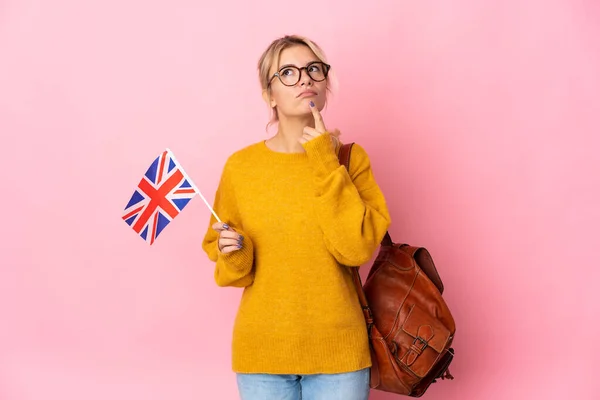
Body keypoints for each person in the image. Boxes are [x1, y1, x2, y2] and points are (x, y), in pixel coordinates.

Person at [201, 34, 391, 400]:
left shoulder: (350, 159)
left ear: (323, 85)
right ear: (269, 95)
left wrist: (322, 157)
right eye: (287, 72)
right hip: (262, 354)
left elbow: (354, 249)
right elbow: (232, 272)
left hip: (339, 355)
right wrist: (237, 252)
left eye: (313, 69)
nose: (304, 78)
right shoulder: (241, 168)